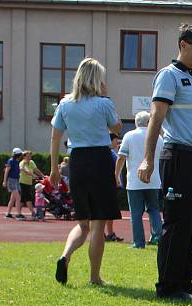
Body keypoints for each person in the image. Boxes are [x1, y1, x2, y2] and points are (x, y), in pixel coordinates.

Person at [138, 23, 192, 300]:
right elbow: (156, 118)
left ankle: (184, 282)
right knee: (176, 221)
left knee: (191, 220)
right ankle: (168, 287)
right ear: (183, 45)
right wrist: (147, 159)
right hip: (176, 156)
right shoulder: (168, 76)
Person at [49, 57, 122, 286]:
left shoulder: (65, 104)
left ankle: (65, 256)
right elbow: (116, 126)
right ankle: (94, 277)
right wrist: (105, 95)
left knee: (82, 223)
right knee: (99, 224)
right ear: (97, 79)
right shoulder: (103, 103)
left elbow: (55, 138)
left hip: (77, 160)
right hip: (100, 160)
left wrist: (54, 169)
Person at [115, 110, 163, 249]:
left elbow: (121, 157)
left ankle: (138, 242)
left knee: (136, 213)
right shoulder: (158, 138)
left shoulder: (129, 136)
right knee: (154, 209)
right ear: (149, 122)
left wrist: (117, 175)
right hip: (154, 180)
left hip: (134, 181)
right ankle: (158, 237)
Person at [104, 134, 124, 242]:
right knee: (107, 210)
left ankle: (108, 233)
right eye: (116, 141)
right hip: (110, 185)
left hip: (112, 185)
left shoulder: (111, 153)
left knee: (108, 211)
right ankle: (107, 233)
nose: (117, 143)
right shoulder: (107, 153)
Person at [19, 151, 44, 219]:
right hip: (22, 182)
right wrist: (33, 175)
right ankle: (33, 213)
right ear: (24, 157)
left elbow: (36, 170)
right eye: (27, 156)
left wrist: (43, 176)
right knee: (28, 198)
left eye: (30, 156)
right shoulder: (22, 163)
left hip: (28, 183)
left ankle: (18, 213)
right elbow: (26, 170)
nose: (29, 157)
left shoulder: (31, 162)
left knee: (23, 199)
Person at [2, 148, 23, 219]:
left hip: (16, 180)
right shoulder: (11, 161)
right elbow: (6, 171)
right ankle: (18, 214)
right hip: (11, 180)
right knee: (18, 197)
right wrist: (4, 181)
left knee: (13, 198)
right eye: (20, 154)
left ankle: (8, 213)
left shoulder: (16, 161)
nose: (21, 156)